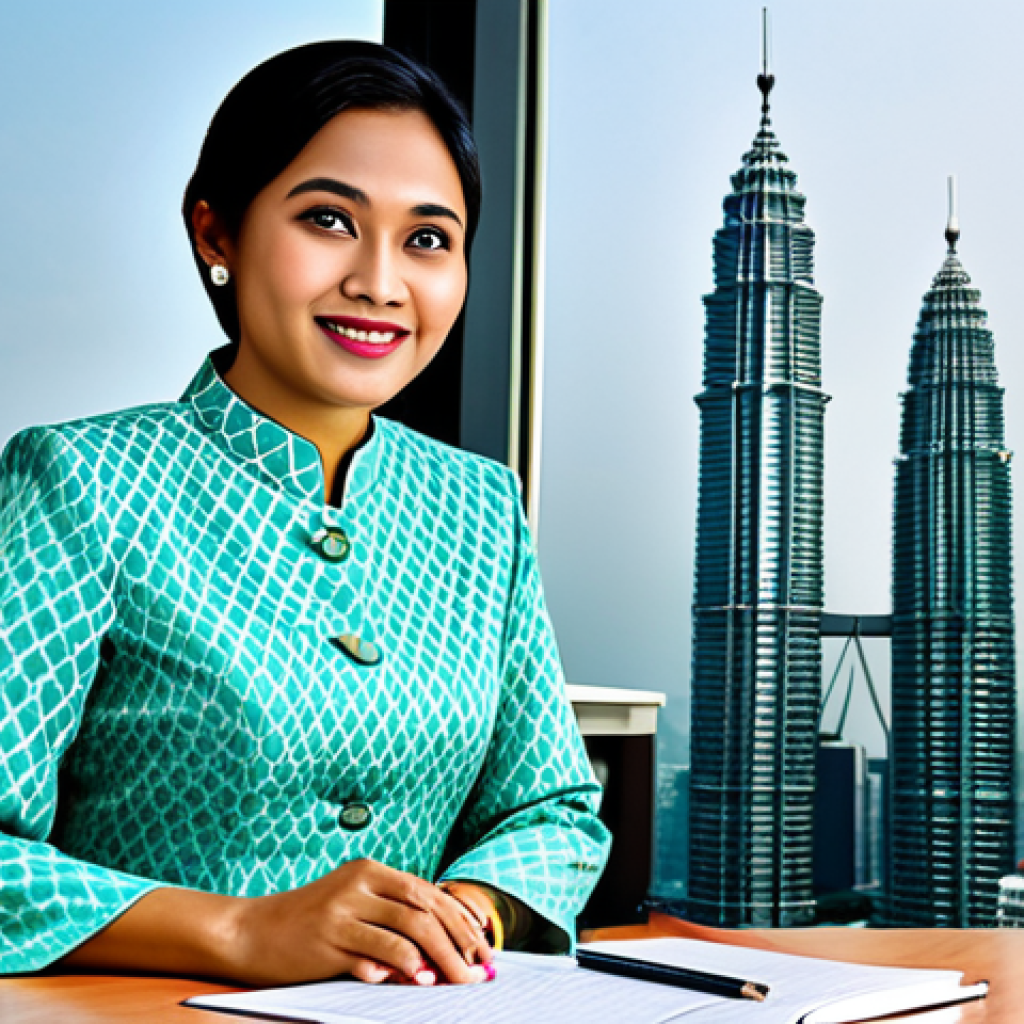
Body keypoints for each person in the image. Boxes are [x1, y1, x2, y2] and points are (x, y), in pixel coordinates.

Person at [0, 40, 609, 987]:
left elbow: (553, 812)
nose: (380, 281)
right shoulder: (82, 481)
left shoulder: (481, 507)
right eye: (330, 220)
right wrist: (237, 931)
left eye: (428, 239)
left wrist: (458, 914)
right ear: (217, 233)